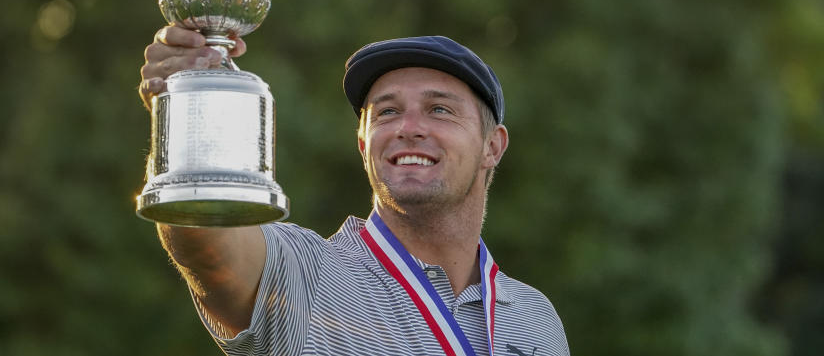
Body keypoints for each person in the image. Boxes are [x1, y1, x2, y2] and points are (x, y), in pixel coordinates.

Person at [139, 26, 570, 356]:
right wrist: (185, 108)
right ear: (364, 144)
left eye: (439, 110)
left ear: (492, 146)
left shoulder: (535, 320)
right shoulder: (307, 275)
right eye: (387, 112)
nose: (408, 128)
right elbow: (204, 240)